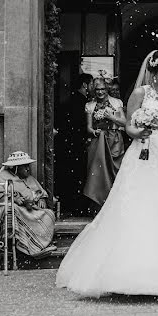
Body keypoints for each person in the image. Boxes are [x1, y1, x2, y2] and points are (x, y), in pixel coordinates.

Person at [56, 50, 158, 298]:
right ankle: (125, 271)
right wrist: (136, 132)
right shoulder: (140, 94)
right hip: (142, 156)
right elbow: (128, 124)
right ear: (153, 73)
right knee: (136, 206)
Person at [0, 152, 57, 259]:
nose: (28, 169)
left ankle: (40, 244)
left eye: (28, 166)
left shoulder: (29, 178)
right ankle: (24, 247)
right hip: (16, 209)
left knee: (49, 214)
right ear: (16, 168)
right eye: (24, 167)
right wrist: (13, 199)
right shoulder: (3, 177)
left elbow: (40, 191)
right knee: (13, 210)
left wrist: (42, 199)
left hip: (31, 209)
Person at [82, 78, 127, 208]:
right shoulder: (90, 105)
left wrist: (111, 117)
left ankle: (115, 205)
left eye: (102, 89)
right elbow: (88, 128)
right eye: (97, 90)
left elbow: (124, 122)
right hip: (99, 141)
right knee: (97, 173)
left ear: (107, 89)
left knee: (115, 171)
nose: (100, 92)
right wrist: (94, 132)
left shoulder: (116, 102)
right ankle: (98, 205)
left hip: (115, 140)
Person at [55, 73, 93, 215]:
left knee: (73, 175)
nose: (93, 87)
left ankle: (72, 205)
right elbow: (79, 125)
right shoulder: (81, 102)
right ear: (85, 85)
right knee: (77, 174)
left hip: (70, 143)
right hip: (75, 144)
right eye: (92, 84)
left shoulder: (72, 99)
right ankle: (76, 207)